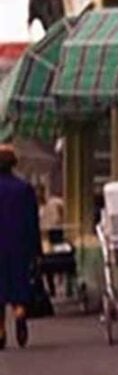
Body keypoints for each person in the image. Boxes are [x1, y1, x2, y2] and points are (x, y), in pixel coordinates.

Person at [0, 144, 42, 349]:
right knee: (19, 283)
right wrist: (37, 250)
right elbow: (32, 221)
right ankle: (20, 313)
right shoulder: (24, 188)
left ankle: (0, 330)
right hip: (19, 244)